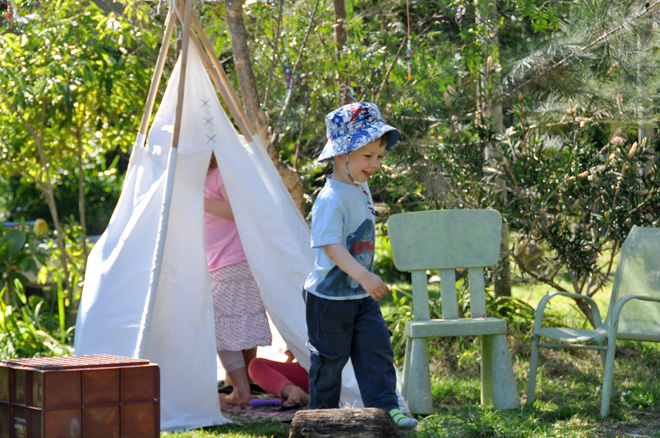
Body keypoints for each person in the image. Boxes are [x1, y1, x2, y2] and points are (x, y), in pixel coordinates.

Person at [303, 102, 418, 430]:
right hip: (329, 300)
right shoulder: (330, 198)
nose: (376, 164)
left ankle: (386, 410)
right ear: (341, 155)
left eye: (380, 156)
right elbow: (331, 246)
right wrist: (365, 276)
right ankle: (320, 420)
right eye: (368, 156)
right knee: (329, 363)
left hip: (360, 298)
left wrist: (363, 282)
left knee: (376, 350)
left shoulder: (360, 186)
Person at [204, 153, 272, 407]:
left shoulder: (217, 174)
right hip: (225, 262)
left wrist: (199, 202)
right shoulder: (199, 178)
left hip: (231, 262)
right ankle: (242, 387)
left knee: (223, 327)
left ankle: (240, 391)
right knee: (240, 323)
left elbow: (235, 210)